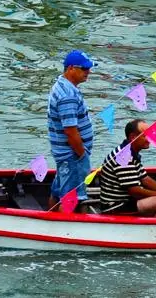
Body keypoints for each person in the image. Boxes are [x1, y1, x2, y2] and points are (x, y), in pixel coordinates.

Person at [96, 119, 156, 217]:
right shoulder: (124, 157)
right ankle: (155, 231)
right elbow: (135, 191)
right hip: (115, 206)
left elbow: (145, 179)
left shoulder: (131, 152)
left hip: (128, 201)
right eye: (145, 135)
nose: (149, 139)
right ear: (133, 137)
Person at [48, 50, 95, 211]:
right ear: (70, 69)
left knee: (58, 193)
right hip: (72, 155)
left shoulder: (61, 85)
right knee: (72, 199)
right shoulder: (67, 96)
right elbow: (70, 131)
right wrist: (82, 155)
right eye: (84, 69)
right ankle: (63, 231)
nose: (88, 72)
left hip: (64, 154)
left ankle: (49, 221)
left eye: (88, 68)